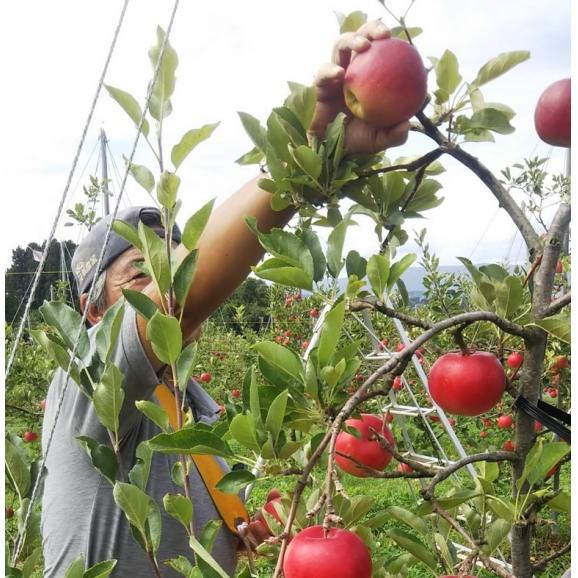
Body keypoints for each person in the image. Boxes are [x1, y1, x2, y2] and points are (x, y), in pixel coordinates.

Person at [40, 20, 410, 578]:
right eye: (139, 274)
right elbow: (182, 295)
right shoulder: (91, 377)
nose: (160, 287)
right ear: (94, 311)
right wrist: (307, 149)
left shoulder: (192, 407)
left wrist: (233, 533)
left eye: (171, 261)